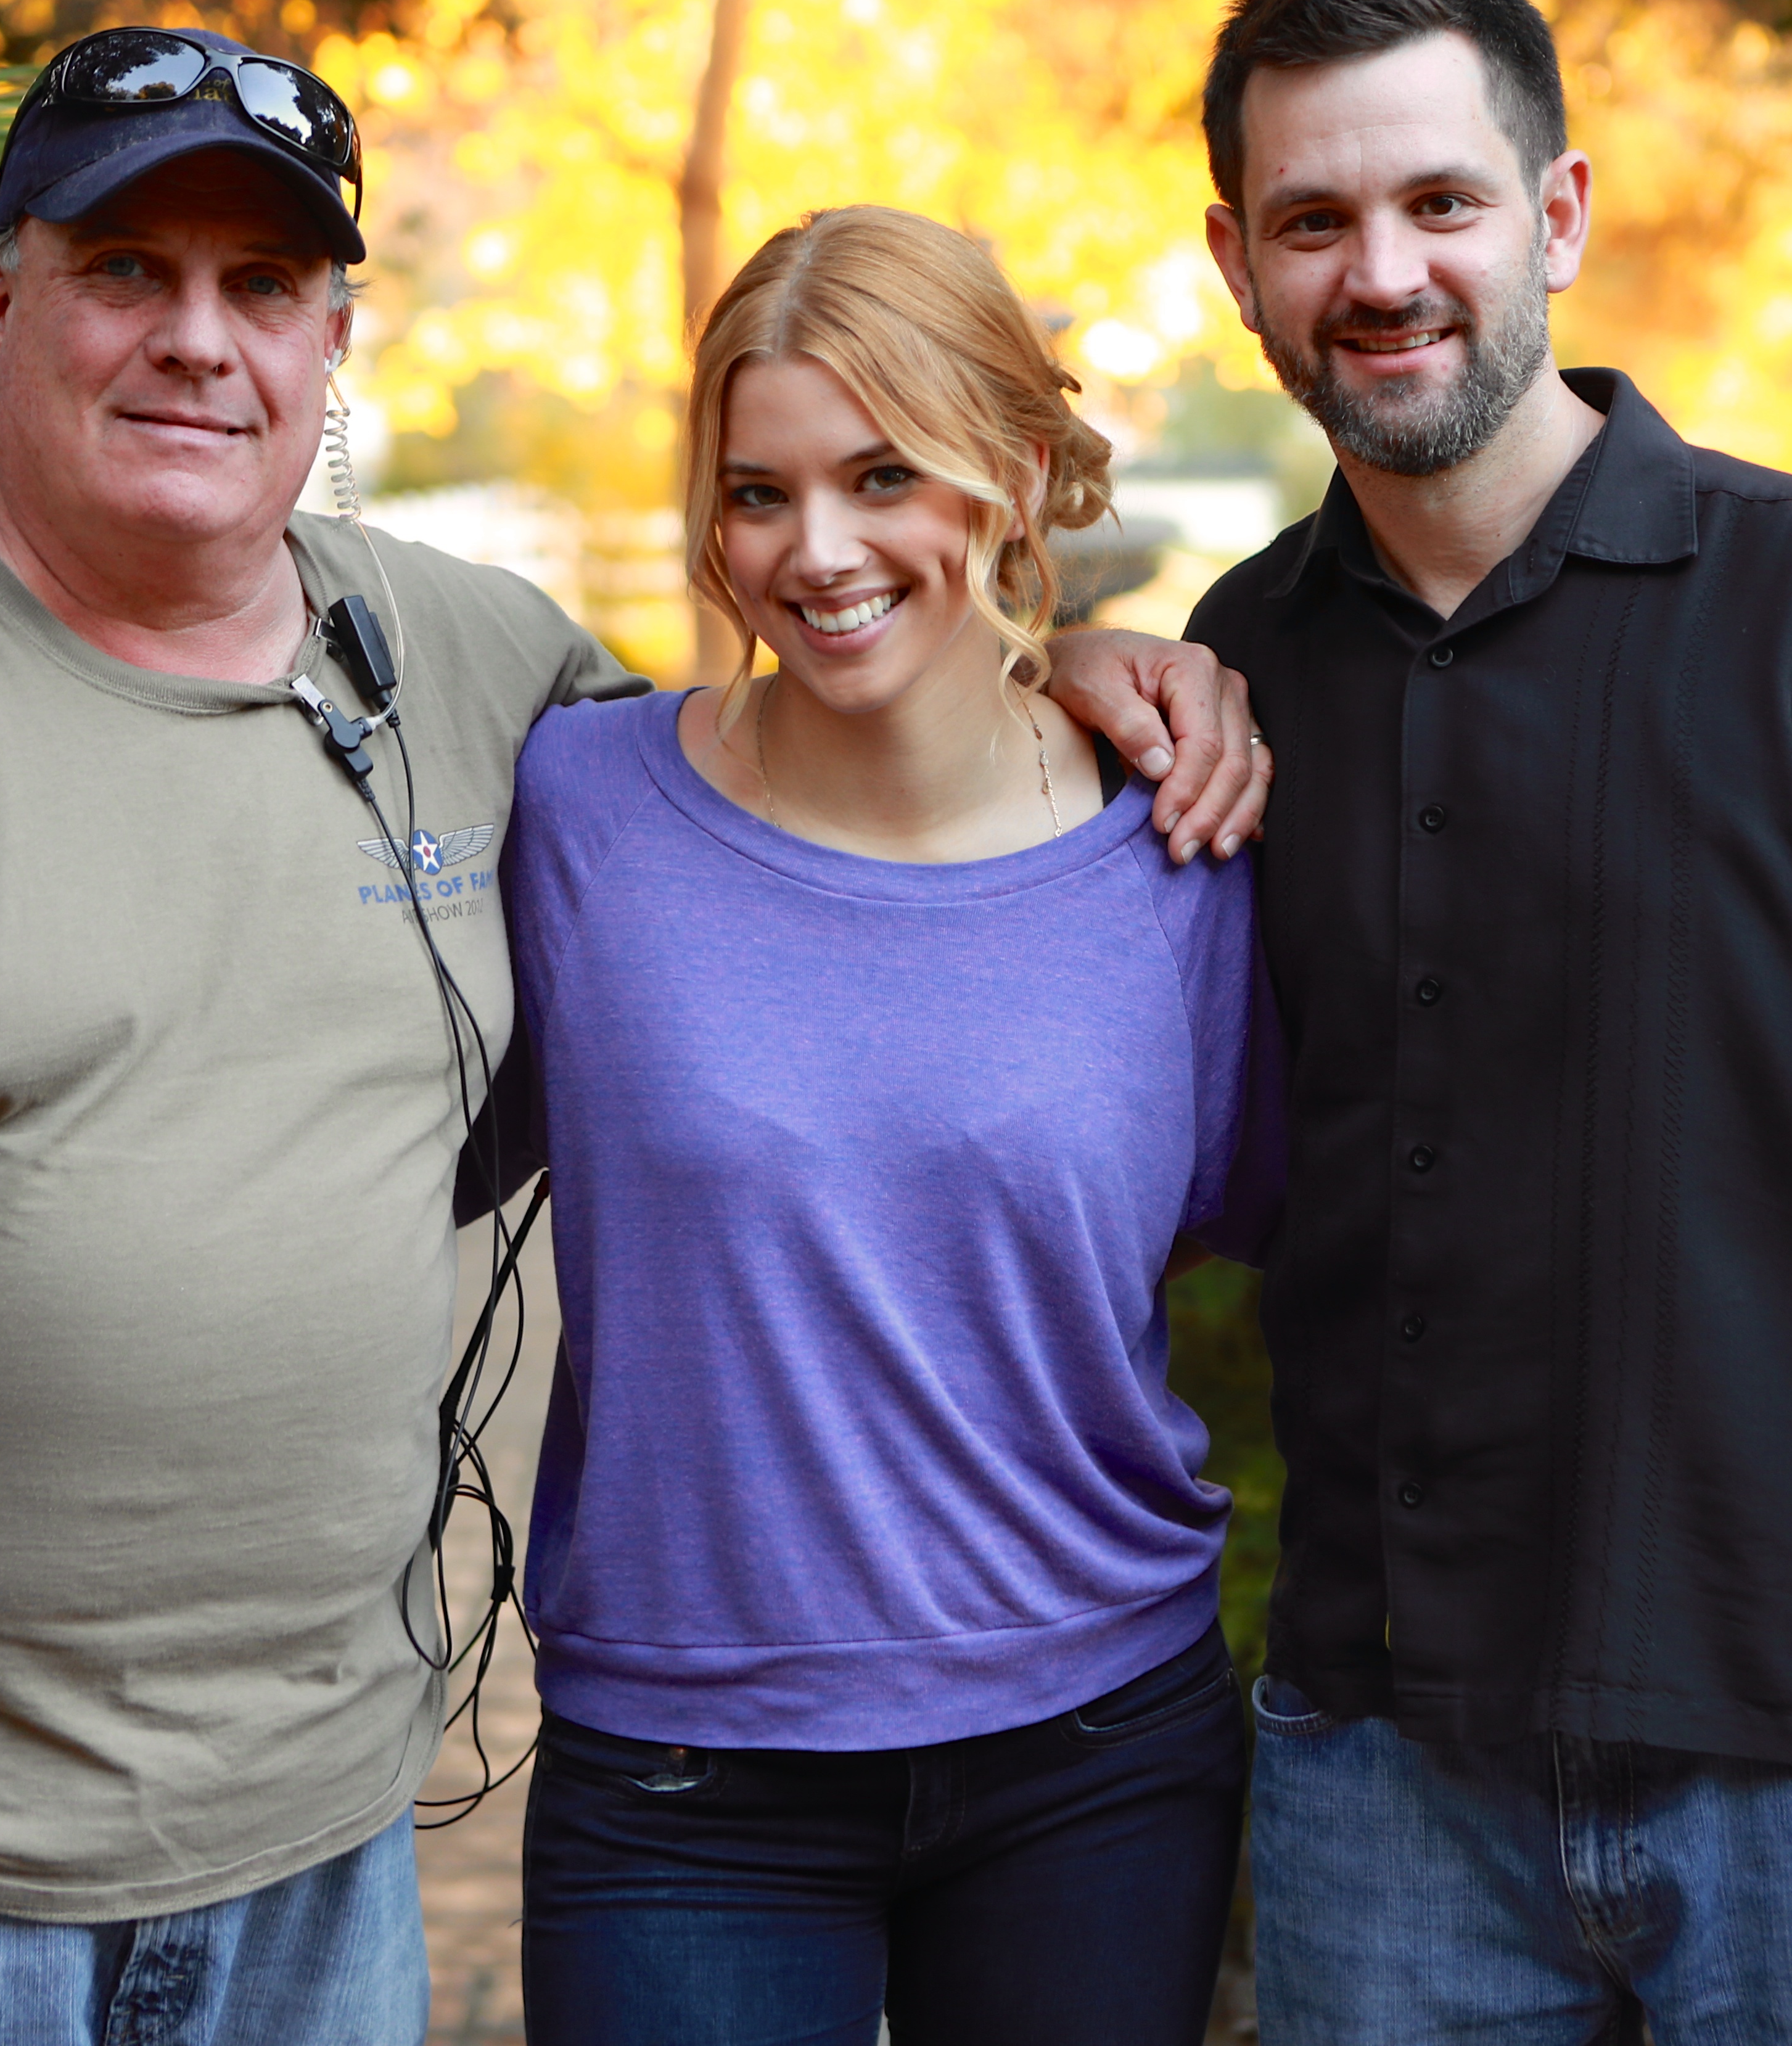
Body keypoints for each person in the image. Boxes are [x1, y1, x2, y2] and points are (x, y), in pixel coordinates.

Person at [0, 34, 1259, 2043]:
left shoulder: (477, 669)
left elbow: (830, 767)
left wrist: (1092, 666)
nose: (200, 342)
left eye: (261, 287)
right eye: (124, 271)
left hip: (313, 1867)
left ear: (332, 337)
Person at [1180, 0, 1792, 2044]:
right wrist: (1061, 663)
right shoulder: (1231, 668)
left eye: (1441, 202)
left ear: (1560, 215)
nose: (1386, 271)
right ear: (1238, 264)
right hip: (1383, 1791)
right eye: (1317, 221)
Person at [488, 205, 1274, 2046]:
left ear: (1011, 473)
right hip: (685, 1777)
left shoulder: (1186, 853)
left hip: (1100, 1752)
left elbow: (1274, 1244)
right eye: (759, 492)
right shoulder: (578, 811)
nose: (817, 550)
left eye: (883, 475)